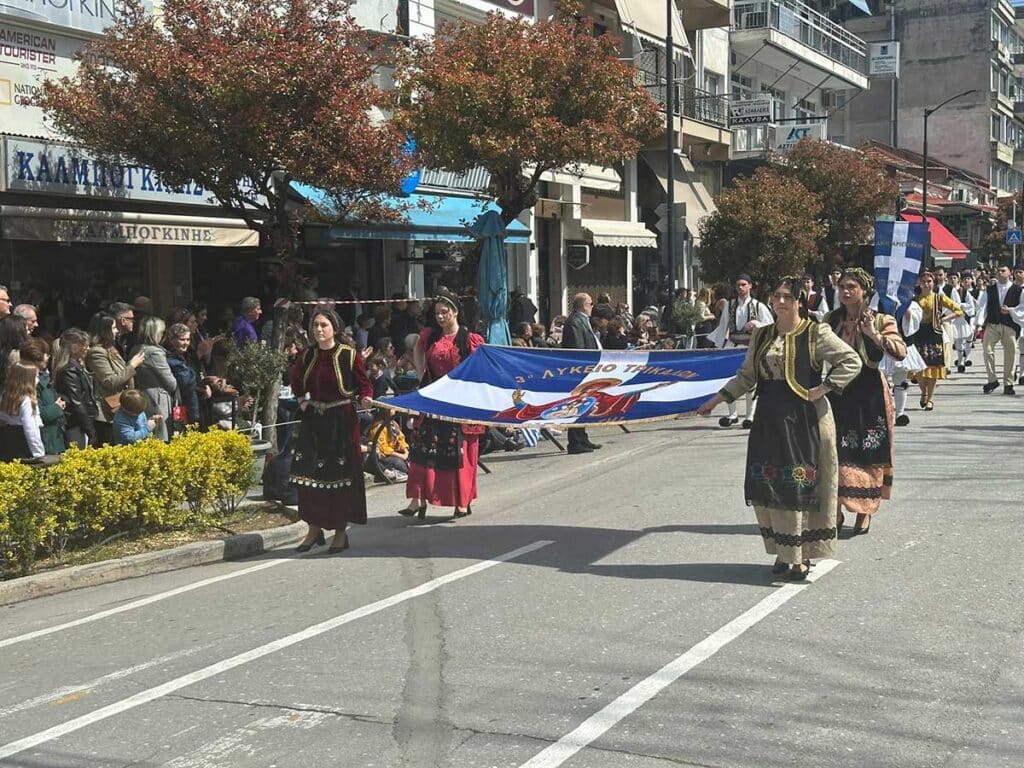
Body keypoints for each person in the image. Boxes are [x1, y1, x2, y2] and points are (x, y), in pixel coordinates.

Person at [697, 276, 862, 580]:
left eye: (788, 296)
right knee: (770, 486)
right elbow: (747, 376)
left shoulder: (815, 333)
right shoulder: (761, 336)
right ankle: (783, 553)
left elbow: (850, 361)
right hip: (770, 419)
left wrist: (824, 387)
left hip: (806, 420)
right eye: (777, 296)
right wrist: (717, 400)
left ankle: (798, 556)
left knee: (799, 488)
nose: (782, 302)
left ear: (800, 301)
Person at [825, 269, 906, 536]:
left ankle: (864, 510)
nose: (845, 291)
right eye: (841, 287)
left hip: (869, 392)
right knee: (834, 450)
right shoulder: (831, 319)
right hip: (837, 392)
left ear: (865, 292)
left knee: (868, 451)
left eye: (851, 287)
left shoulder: (882, 319)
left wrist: (873, 335)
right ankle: (834, 510)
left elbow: (900, 352)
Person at [289, 308, 373, 553]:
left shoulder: (348, 355)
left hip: (341, 421)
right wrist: (303, 401)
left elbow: (363, 384)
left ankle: (339, 532)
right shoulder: (307, 355)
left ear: (334, 328)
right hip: (314, 421)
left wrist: (366, 397)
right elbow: (296, 382)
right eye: (315, 325)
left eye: (323, 325)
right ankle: (313, 530)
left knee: (339, 479)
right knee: (310, 477)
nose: (318, 330)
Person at [401, 291, 485, 519]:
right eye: (437, 313)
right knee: (422, 448)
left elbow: (480, 369)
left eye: (444, 312)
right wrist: (421, 376)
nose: (439, 317)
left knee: (458, 451)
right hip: (433, 400)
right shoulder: (430, 335)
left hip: (460, 403)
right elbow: (418, 350)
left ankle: (462, 501)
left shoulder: (469, 339)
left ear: (455, 312)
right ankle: (417, 499)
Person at [707, 274, 773, 428]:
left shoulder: (758, 305)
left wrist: (756, 323)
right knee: (730, 380)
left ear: (750, 286)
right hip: (733, 345)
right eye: (738, 285)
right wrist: (719, 346)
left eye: (744, 285)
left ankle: (750, 415)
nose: (741, 288)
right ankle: (732, 414)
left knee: (750, 382)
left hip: (751, 346)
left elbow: (770, 325)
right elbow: (723, 326)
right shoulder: (729, 306)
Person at [87, 313, 145, 446]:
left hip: (122, 408)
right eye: (113, 328)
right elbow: (110, 381)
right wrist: (132, 365)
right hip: (107, 411)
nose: (117, 331)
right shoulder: (97, 352)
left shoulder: (111, 349)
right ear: (104, 331)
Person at [912, 272, 963, 409]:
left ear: (933, 283)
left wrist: (943, 319)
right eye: (923, 281)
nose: (926, 284)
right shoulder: (914, 299)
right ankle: (923, 392)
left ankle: (930, 398)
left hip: (934, 334)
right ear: (919, 283)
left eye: (929, 281)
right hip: (918, 334)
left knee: (933, 367)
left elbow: (958, 310)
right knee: (919, 368)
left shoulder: (938, 298)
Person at [560, 293, 602, 454]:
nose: (592, 307)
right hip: (580, 371)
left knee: (585, 404)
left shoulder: (583, 320)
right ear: (583, 305)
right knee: (577, 405)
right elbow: (577, 348)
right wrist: (584, 367)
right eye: (590, 303)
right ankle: (575, 442)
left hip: (590, 370)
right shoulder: (574, 322)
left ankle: (582, 437)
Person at [975, 264, 1024, 394]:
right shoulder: (990, 289)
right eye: (998, 271)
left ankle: (1008, 384)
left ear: (1010, 273)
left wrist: (1011, 311)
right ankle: (992, 380)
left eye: (1003, 271)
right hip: (992, 324)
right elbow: (982, 306)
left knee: (1011, 353)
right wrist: (979, 324)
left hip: (1009, 325)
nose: (1000, 273)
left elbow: (1022, 307)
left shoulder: (1018, 290)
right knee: (987, 350)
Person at [132, 316, 178, 440]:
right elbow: (171, 383)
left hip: (143, 397)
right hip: (158, 400)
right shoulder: (155, 353)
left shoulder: (136, 349)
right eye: (162, 332)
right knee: (161, 437)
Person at [53, 327, 99, 448]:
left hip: (81, 422)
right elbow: (77, 402)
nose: (87, 349)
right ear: (75, 348)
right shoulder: (70, 370)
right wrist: (90, 429)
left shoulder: (76, 366)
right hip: (76, 424)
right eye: (85, 345)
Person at [19, 339, 66, 455]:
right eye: (46, 354)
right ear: (37, 357)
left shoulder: (44, 376)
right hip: (45, 440)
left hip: (55, 436)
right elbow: (38, 413)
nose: (48, 357)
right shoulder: (30, 382)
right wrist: (57, 407)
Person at [0, 361, 46, 459]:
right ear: (28, 380)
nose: (38, 380)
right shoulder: (27, 401)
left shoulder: (7, 397)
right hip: (25, 446)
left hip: (10, 444)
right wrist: (39, 452)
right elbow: (31, 429)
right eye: (36, 376)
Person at [165, 322, 204, 426]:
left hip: (190, 404)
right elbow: (186, 380)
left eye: (188, 339)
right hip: (180, 404)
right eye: (182, 340)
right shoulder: (171, 357)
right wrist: (192, 373)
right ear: (172, 340)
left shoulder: (186, 355)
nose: (186, 343)